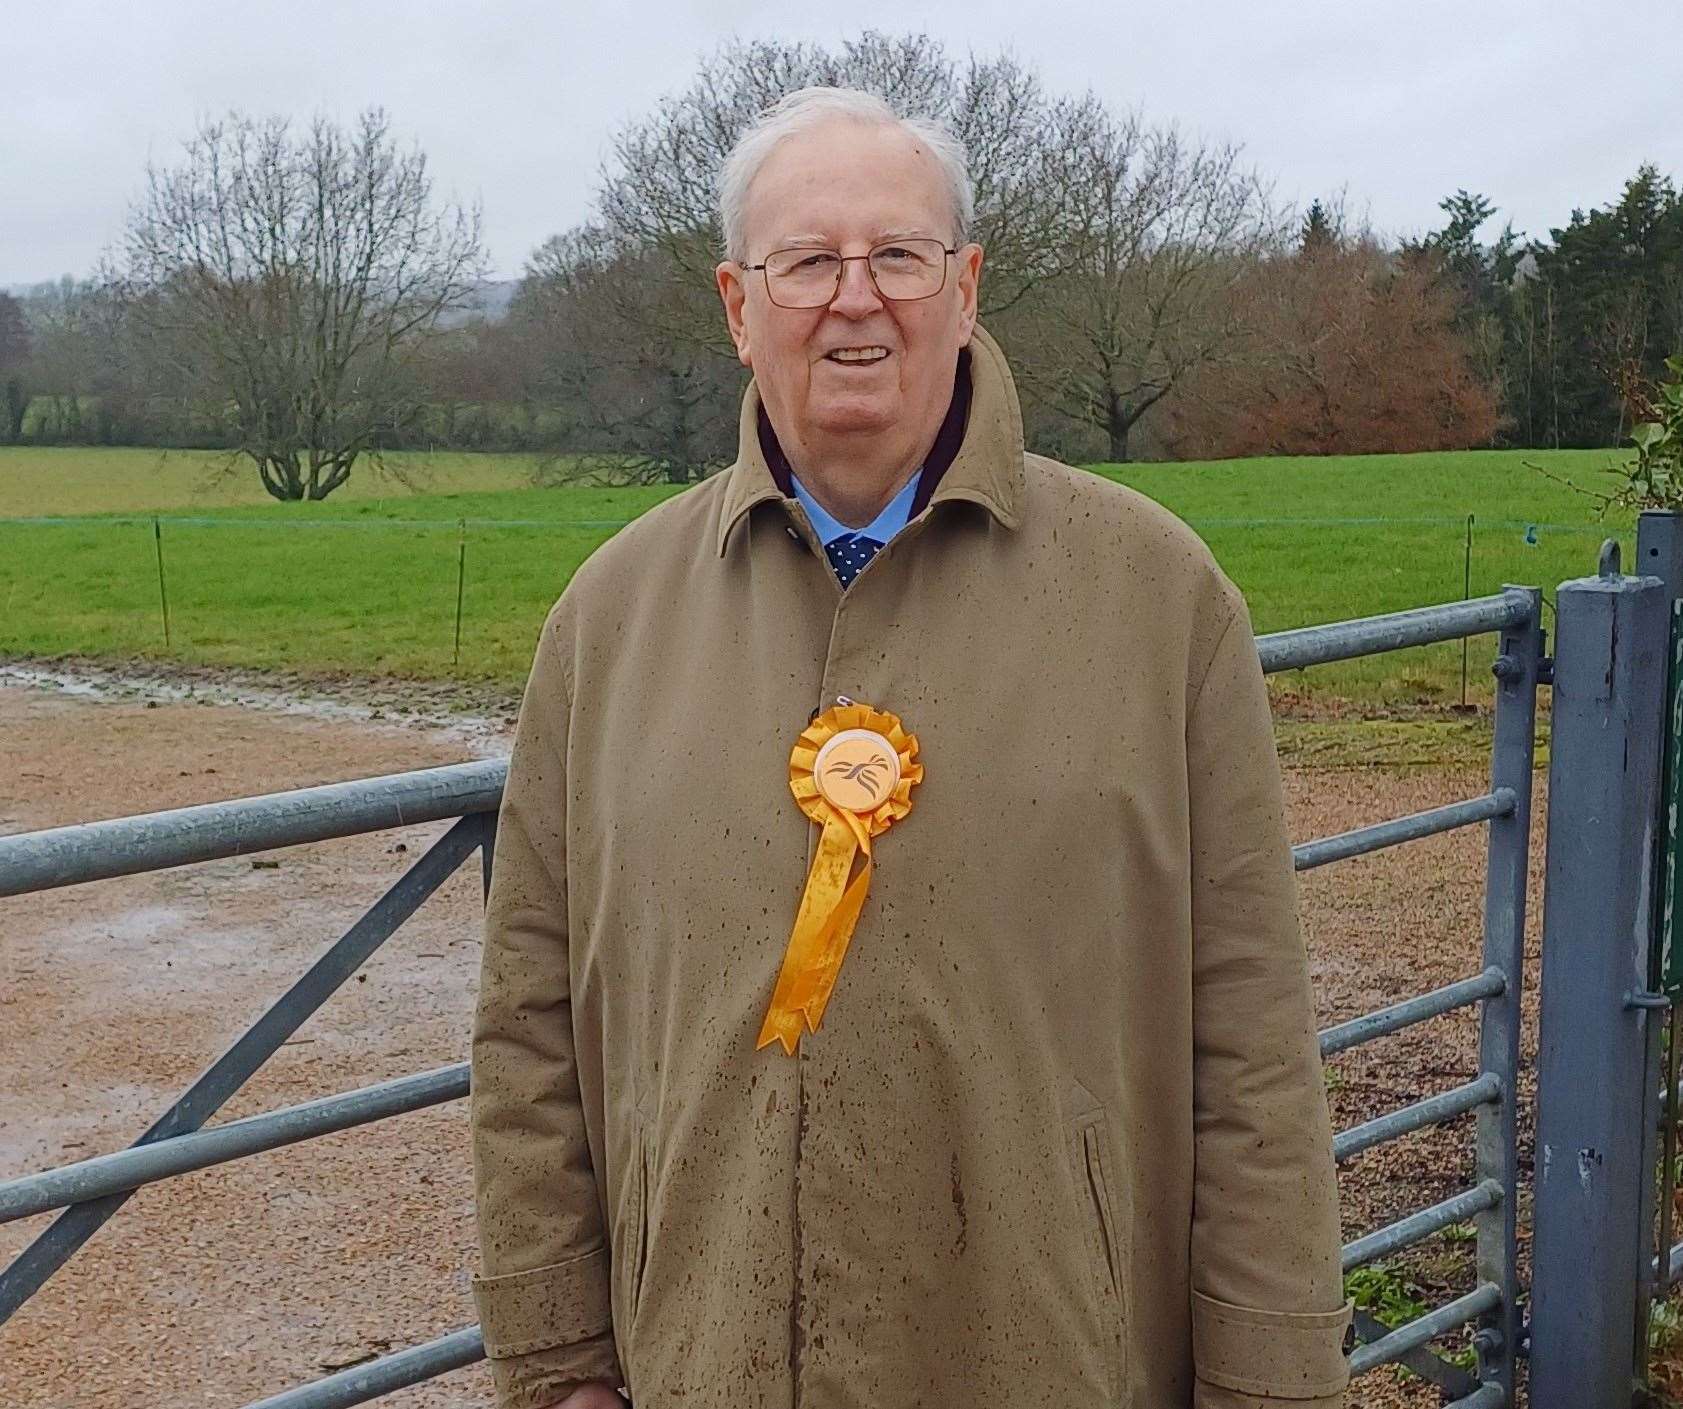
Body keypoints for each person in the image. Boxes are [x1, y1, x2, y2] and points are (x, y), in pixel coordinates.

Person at [469, 85, 1351, 1409]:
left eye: (898, 254)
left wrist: (1276, 1383)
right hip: (707, 1368)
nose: (855, 296)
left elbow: (1255, 1046)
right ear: (736, 304)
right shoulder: (607, 622)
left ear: (967, 285)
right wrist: (552, 1368)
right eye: (808, 261)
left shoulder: (1157, 601)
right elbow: (528, 1032)